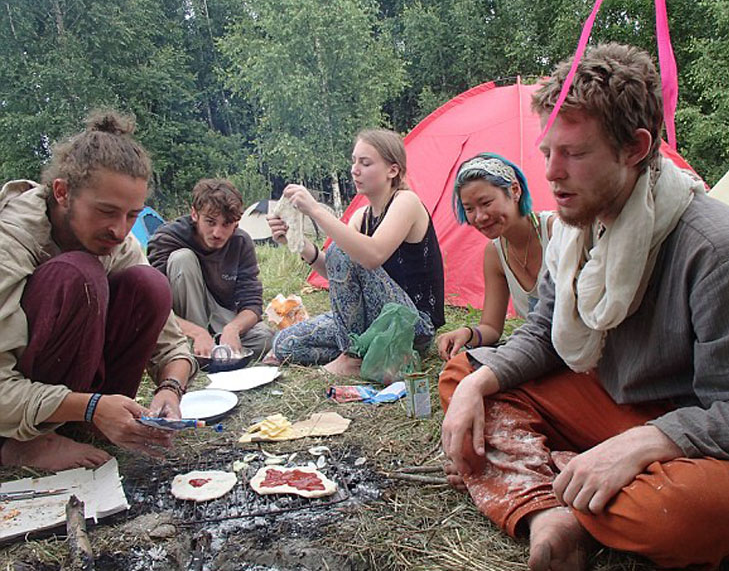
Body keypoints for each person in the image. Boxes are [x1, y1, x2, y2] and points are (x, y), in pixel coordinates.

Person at [439, 43, 729, 571]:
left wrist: (652, 440)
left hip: (698, 444)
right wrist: (476, 383)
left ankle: (546, 479)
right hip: (609, 405)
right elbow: (544, 332)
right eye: (548, 153)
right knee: (463, 376)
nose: (552, 174)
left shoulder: (722, 252)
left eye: (575, 154)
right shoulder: (576, 227)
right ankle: (552, 512)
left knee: (688, 514)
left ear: (635, 148)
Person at [0, 111, 197, 471]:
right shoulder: (10, 241)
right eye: (107, 212)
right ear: (61, 193)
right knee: (78, 274)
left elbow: (172, 342)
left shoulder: (117, 240)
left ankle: (86, 426)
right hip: (11, 413)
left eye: (132, 216)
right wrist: (92, 405)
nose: (120, 231)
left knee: (148, 285)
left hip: (76, 399)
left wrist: (171, 388)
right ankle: (22, 444)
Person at [268, 129, 445, 375]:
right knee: (284, 343)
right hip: (373, 320)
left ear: (392, 170)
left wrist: (315, 210)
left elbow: (373, 256)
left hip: (411, 325)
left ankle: (353, 356)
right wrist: (297, 243)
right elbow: (337, 271)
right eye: (354, 161)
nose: (354, 169)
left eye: (365, 163)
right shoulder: (362, 216)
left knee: (343, 247)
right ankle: (374, 351)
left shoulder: (407, 202)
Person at [436, 154, 555, 360]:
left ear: (515, 190)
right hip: (541, 350)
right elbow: (491, 327)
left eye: (486, 202)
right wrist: (467, 333)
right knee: (459, 371)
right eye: (469, 209)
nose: (480, 217)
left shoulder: (556, 232)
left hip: (575, 350)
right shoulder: (495, 254)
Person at [147, 178, 273, 359]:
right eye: (210, 222)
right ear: (194, 215)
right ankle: (194, 346)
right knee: (183, 258)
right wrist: (196, 332)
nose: (217, 233)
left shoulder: (241, 242)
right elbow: (153, 308)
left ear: (236, 223)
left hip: (220, 316)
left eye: (226, 224)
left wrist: (233, 329)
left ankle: (210, 348)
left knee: (266, 339)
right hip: (179, 322)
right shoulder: (167, 238)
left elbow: (252, 303)